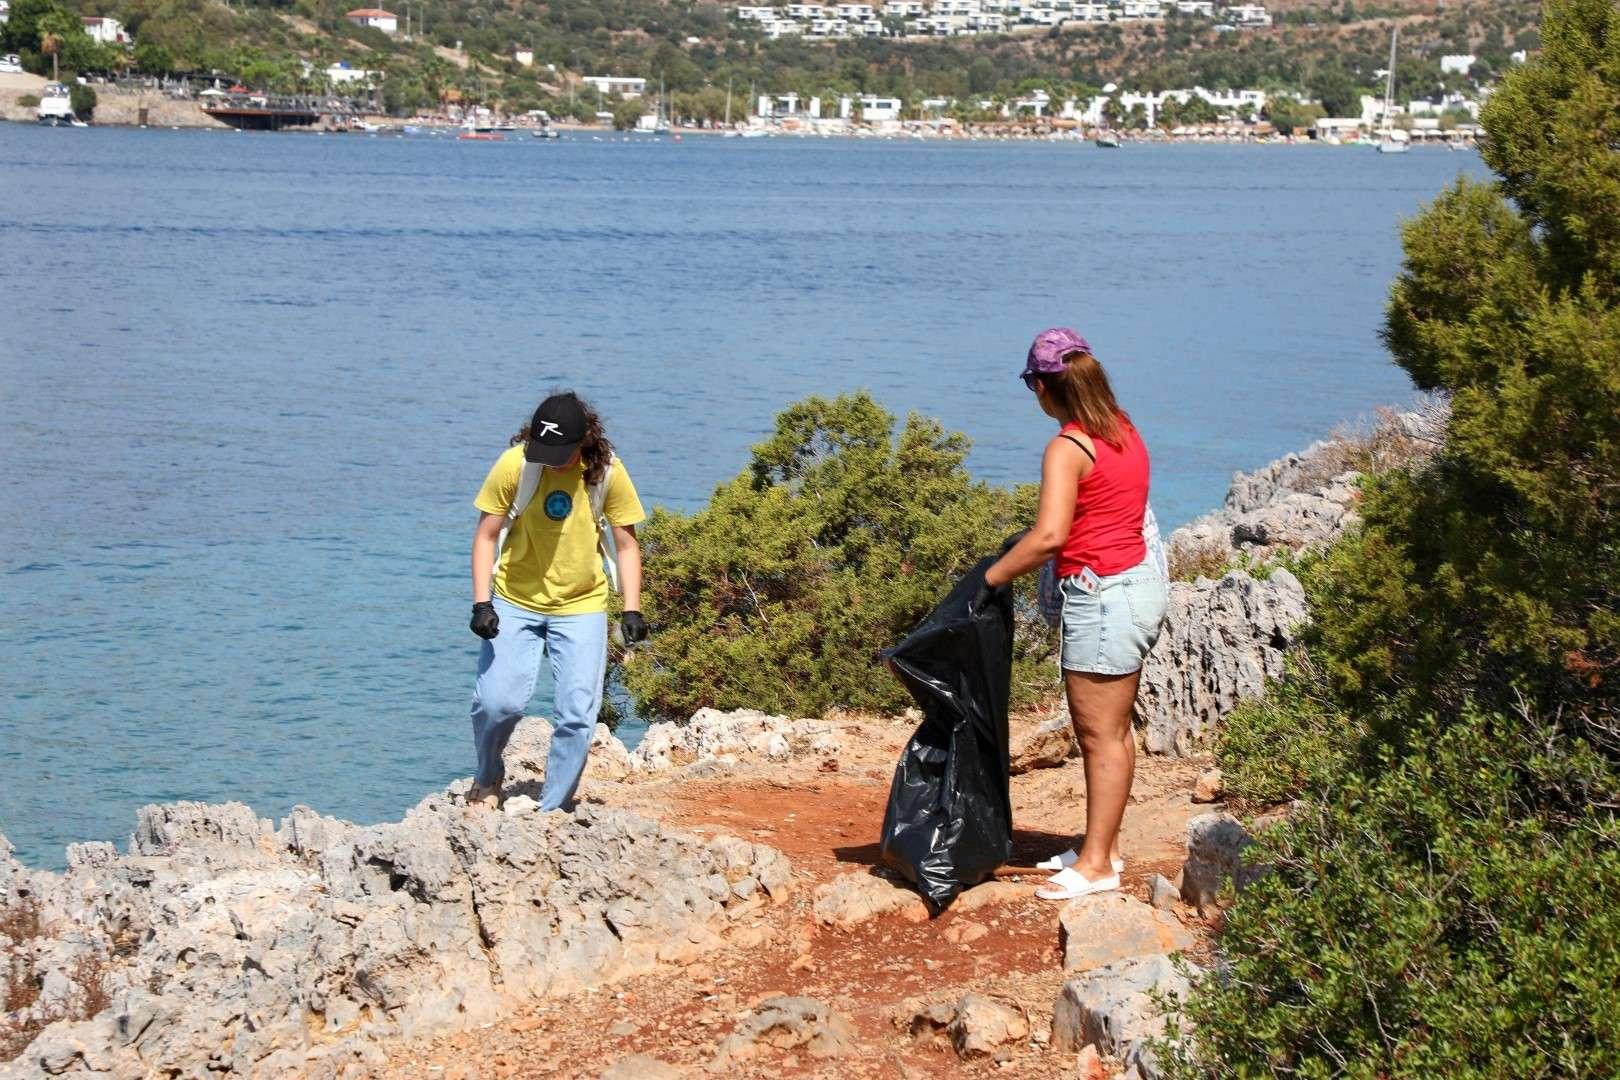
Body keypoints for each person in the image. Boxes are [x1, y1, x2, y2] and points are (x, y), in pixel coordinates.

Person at [980, 328, 1167, 900]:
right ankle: (1102, 846)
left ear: (1041, 386)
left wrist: (990, 578)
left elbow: (1049, 535)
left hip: (1104, 597)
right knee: (1113, 731)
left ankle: (1096, 867)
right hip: (1137, 584)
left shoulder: (1069, 447)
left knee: (1098, 734)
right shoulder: (1122, 427)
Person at [466, 391, 649, 811]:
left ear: (584, 442)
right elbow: (485, 536)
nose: (553, 460)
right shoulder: (515, 465)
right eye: (545, 450)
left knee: (577, 715)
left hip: (581, 604)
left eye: (562, 453)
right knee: (497, 703)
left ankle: (553, 811)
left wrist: (632, 609)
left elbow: (625, 544)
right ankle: (488, 775)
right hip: (515, 598)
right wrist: (482, 604)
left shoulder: (607, 473)